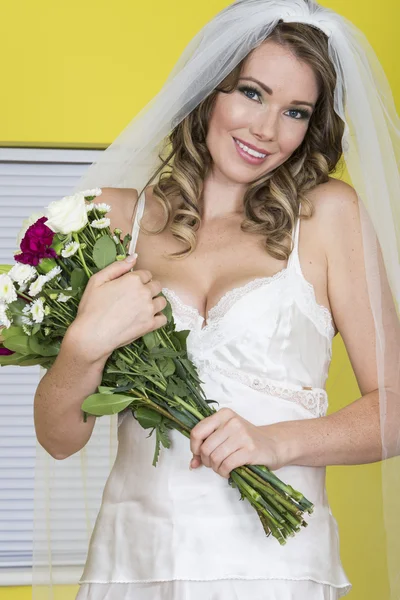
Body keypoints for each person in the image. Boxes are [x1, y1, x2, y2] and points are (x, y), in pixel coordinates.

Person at [32, 2, 400, 599]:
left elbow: (394, 406)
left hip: (275, 569)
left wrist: (277, 441)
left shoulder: (330, 217)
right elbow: (58, 437)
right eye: (252, 93)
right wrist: (83, 344)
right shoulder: (113, 220)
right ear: (210, 90)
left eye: (296, 112)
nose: (267, 129)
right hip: (133, 564)